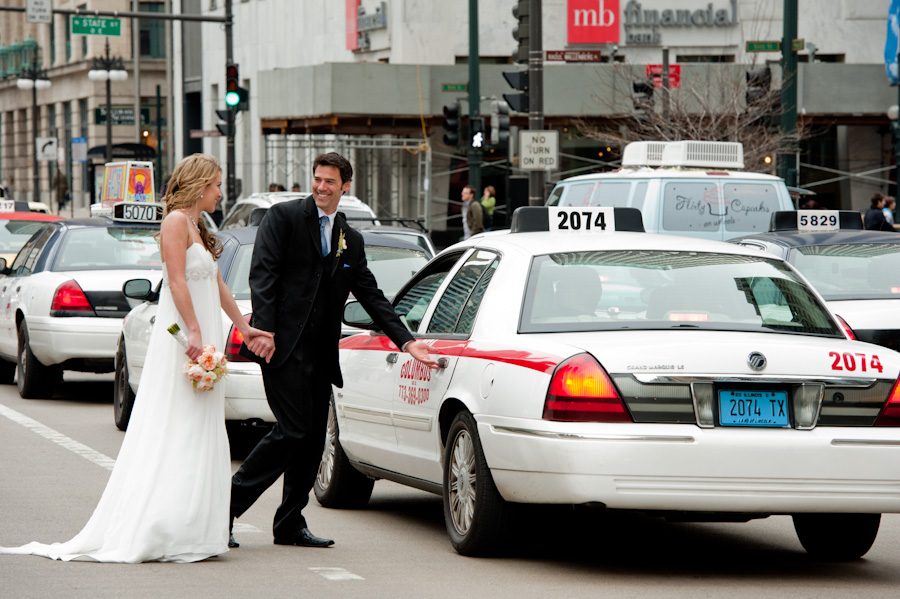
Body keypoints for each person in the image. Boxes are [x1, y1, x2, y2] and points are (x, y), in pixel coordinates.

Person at [0, 154, 272, 563]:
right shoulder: (175, 222)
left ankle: (192, 527)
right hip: (185, 339)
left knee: (200, 427)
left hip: (205, 336)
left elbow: (216, 282)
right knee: (176, 425)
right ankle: (161, 526)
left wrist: (244, 326)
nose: (221, 192)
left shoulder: (198, 224)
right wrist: (194, 332)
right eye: (216, 185)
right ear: (199, 185)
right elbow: (177, 281)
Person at [229, 152, 438, 549]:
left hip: (322, 354)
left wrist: (408, 342)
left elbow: (372, 297)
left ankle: (289, 522)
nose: (321, 187)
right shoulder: (285, 218)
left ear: (345, 186)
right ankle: (225, 508)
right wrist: (267, 331)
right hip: (281, 348)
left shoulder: (350, 240)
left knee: (311, 440)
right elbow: (264, 274)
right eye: (317, 179)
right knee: (292, 430)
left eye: (330, 182)